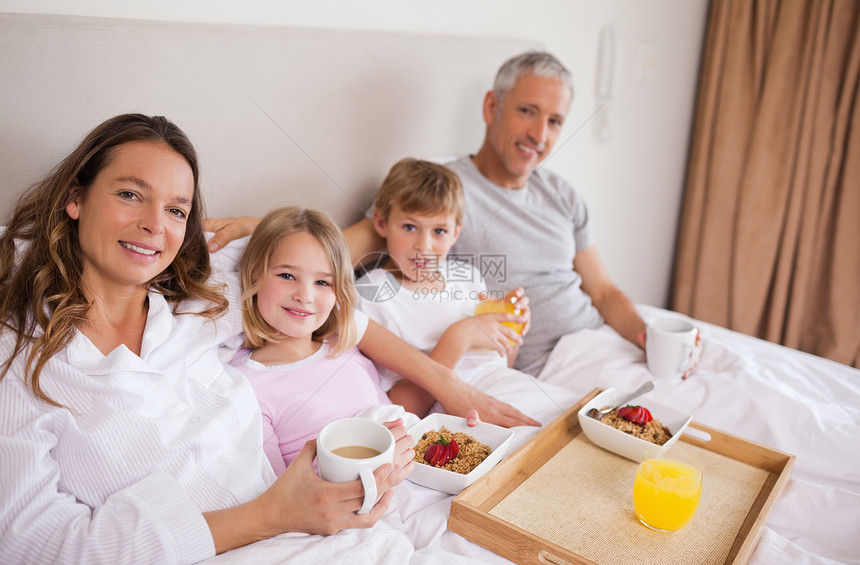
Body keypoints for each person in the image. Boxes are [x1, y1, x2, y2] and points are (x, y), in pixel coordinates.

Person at [0, 114, 417, 564]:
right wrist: (273, 515)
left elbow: (313, 268)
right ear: (75, 199)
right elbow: (32, 544)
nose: (154, 225)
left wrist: (451, 385)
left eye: (176, 210)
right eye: (129, 194)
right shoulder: (20, 356)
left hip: (320, 533)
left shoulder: (202, 301)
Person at [342, 50, 647, 375]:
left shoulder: (561, 193)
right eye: (528, 111)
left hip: (603, 341)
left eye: (554, 121)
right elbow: (330, 255)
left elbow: (602, 291)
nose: (539, 135)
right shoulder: (439, 193)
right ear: (491, 107)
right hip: (554, 367)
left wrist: (646, 337)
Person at [356, 157, 578, 425]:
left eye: (439, 230)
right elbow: (398, 411)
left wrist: (510, 328)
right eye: (410, 227)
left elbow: (497, 365)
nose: (423, 245)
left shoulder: (467, 278)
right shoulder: (371, 297)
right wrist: (457, 339)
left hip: (509, 388)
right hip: (460, 417)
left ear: (455, 233)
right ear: (381, 223)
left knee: (585, 421)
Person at [229, 205, 428, 474]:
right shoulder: (245, 385)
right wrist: (373, 463)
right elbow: (280, 496)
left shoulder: (344, 348)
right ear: (255, 274)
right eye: (287, 276)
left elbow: (391, 416)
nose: (305, 295)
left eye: (322, 282)